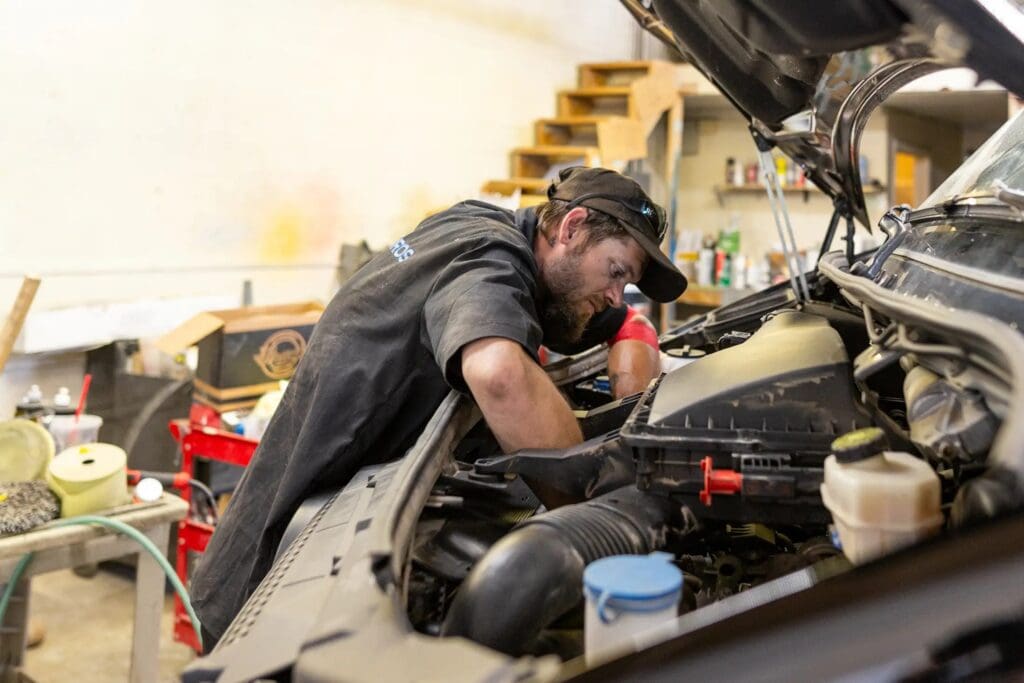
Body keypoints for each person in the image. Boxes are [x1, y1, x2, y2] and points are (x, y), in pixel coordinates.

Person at [190, 166, 688, 648]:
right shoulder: (489, 256)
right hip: (267, 592)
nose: (615, 293)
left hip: (325, 554)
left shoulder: (494, 237)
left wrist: (633, 394)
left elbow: (627, 323)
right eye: (616, 271)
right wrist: (596, 513)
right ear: (573, 227)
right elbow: (497, 374)